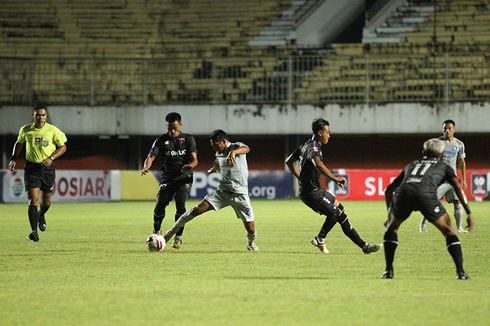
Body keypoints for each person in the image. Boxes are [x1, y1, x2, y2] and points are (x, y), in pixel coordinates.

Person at [285, 118, 381, 255]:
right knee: (335, 213)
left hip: (316, 189)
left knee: (340, 209)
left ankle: (364, 246)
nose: (329, 135)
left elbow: (289, 161)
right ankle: (320, 238)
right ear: (319, 132)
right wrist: (335, 179)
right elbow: (318, 164)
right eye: (327, 132)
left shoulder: (305, 145)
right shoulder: (313, 147)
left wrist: (300, 177)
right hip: (311, 193)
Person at [383, 138, 474, 280]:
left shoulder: (411, 165)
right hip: (425, 196)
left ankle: (388, 271)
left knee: (391, 229)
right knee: (449, 231)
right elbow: (457, 186)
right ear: (442, 154)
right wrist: (468, 212)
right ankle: (460, 272)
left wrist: (390, 215)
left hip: (404, 194)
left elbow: (388, 190)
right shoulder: (444, 167)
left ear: (423, 152)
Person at [162, 129, 258, 252]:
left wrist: (233, 152)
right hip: (222, 192)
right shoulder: (218, 153)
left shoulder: (236, 146)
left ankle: (251, 243)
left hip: (240, 194)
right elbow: (217, 161)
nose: (214, 148)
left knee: (250, 228)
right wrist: (213, 169)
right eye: (212, 145)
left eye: (215, 145)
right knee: (196, 210)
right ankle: (169, 234)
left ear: (224, 141)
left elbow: (247, 149)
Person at [8, 104, 67, 242]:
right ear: (33, 116)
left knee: (46, 201)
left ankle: (41, 215)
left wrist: (51, 158)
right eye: (38, 115)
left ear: (46, 116)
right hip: (31, 168)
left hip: (47, 169)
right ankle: (34, 231)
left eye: (43, 115)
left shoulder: (53, 130)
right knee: (33, 200)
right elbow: (19, 143)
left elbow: (63, 147)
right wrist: (13, 158)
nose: (41, 117)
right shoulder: (26, 130)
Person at [141, 112, 198, 249]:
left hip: (184, 178)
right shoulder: (161, 139)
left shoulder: (189, 139)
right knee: (160, 204)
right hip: (168, 178)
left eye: (175, 128)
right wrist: (146, 167)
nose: (172, 131)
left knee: (180, 204)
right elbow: (151, 156)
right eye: (169, 128)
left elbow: (195, 159)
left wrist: (190, 165)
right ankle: (157, 231)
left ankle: (178, 237)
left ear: (180, 125)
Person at [419, 119, 468, 233]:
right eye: (444, 129)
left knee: (457, 201)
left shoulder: (459, 144)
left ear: (454, 129)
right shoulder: (437, 143)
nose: (446, 131)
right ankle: (422, 224)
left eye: (449, 128)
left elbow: (461, 162)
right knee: (431, 201)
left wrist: (464, 179)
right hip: (439, 178)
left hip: (452, 178)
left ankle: (459, 227)